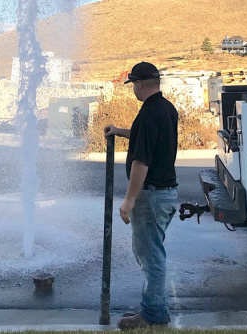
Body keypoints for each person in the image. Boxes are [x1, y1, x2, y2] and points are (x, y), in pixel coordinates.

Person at [104, 61, 179, 330]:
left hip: (152, 196)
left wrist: (128, 201)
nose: (132, 89)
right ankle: (154, 309)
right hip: (165, 194)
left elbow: (141, 162)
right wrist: (119, 132)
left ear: (139, 84)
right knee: (152, 253)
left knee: (151, 256)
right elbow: (145, 137)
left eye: (133, 84)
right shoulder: (165, 109)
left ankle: (152, 316)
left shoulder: (149, 113)